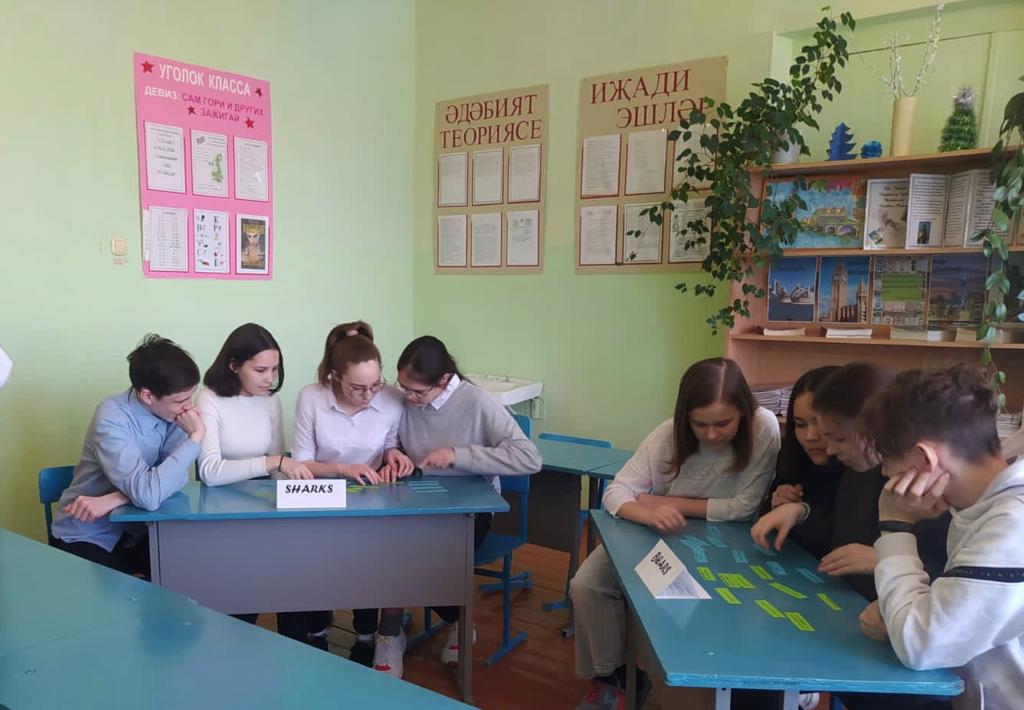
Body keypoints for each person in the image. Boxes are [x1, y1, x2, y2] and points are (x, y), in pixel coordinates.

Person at [570, 357, 780, 710]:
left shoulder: (763, 427)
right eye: (700, 424)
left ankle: (684, 682)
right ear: (685, 416)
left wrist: (665, 502)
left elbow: (744, 507)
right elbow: (616, 493)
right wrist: (647, 512)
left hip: (727, 540)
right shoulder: (666, 435)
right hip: (659, 533)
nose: (710, 434)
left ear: (744, 412)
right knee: (586, 584)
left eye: (723, 424)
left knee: (683, 603)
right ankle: (614, 678)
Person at [860, 364, 1024, 710]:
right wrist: (903, 614)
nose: (885, 473)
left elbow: (920, 645)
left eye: (887, 461)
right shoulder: (982, 505)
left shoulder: (1013, 524)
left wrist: (895, 524)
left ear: (925, 459)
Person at [396, 335, 542, 669]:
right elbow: (392, 438)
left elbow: (529, 458)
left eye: (418, 392)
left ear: (444, 380)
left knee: (427, 558)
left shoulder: (477, 402)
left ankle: (459, 621)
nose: (408, 398)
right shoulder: (405, 400)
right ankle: (392, 627)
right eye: (403, 387)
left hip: (468, 511)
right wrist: (394, 452)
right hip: (419, 503)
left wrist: (457, 455)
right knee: (385, 546)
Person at [292, 321, 413, 673]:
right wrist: (341, 469)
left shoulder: (391, 398)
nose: (368, 395)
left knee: (369, 563)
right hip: (319, 490)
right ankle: (317, 631)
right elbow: (300, 463)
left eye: (375, 385)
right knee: (315, 563)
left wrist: (394, 455)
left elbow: (390, 442)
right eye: (357, 388)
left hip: (368, 493)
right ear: (334, 376)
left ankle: (365, 635)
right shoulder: (311, 397)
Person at [50, 335, 203, 575]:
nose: (189, 407)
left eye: (191, 396)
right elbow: (151, 494)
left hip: (140, 529)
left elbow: (176, 478)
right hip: (88, 533)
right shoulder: (111, 419)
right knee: (127, 593)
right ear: (147, 396)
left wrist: (117, 498)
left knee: (195, 565)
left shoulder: (174, 415)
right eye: (180, 401)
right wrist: (195, 438)